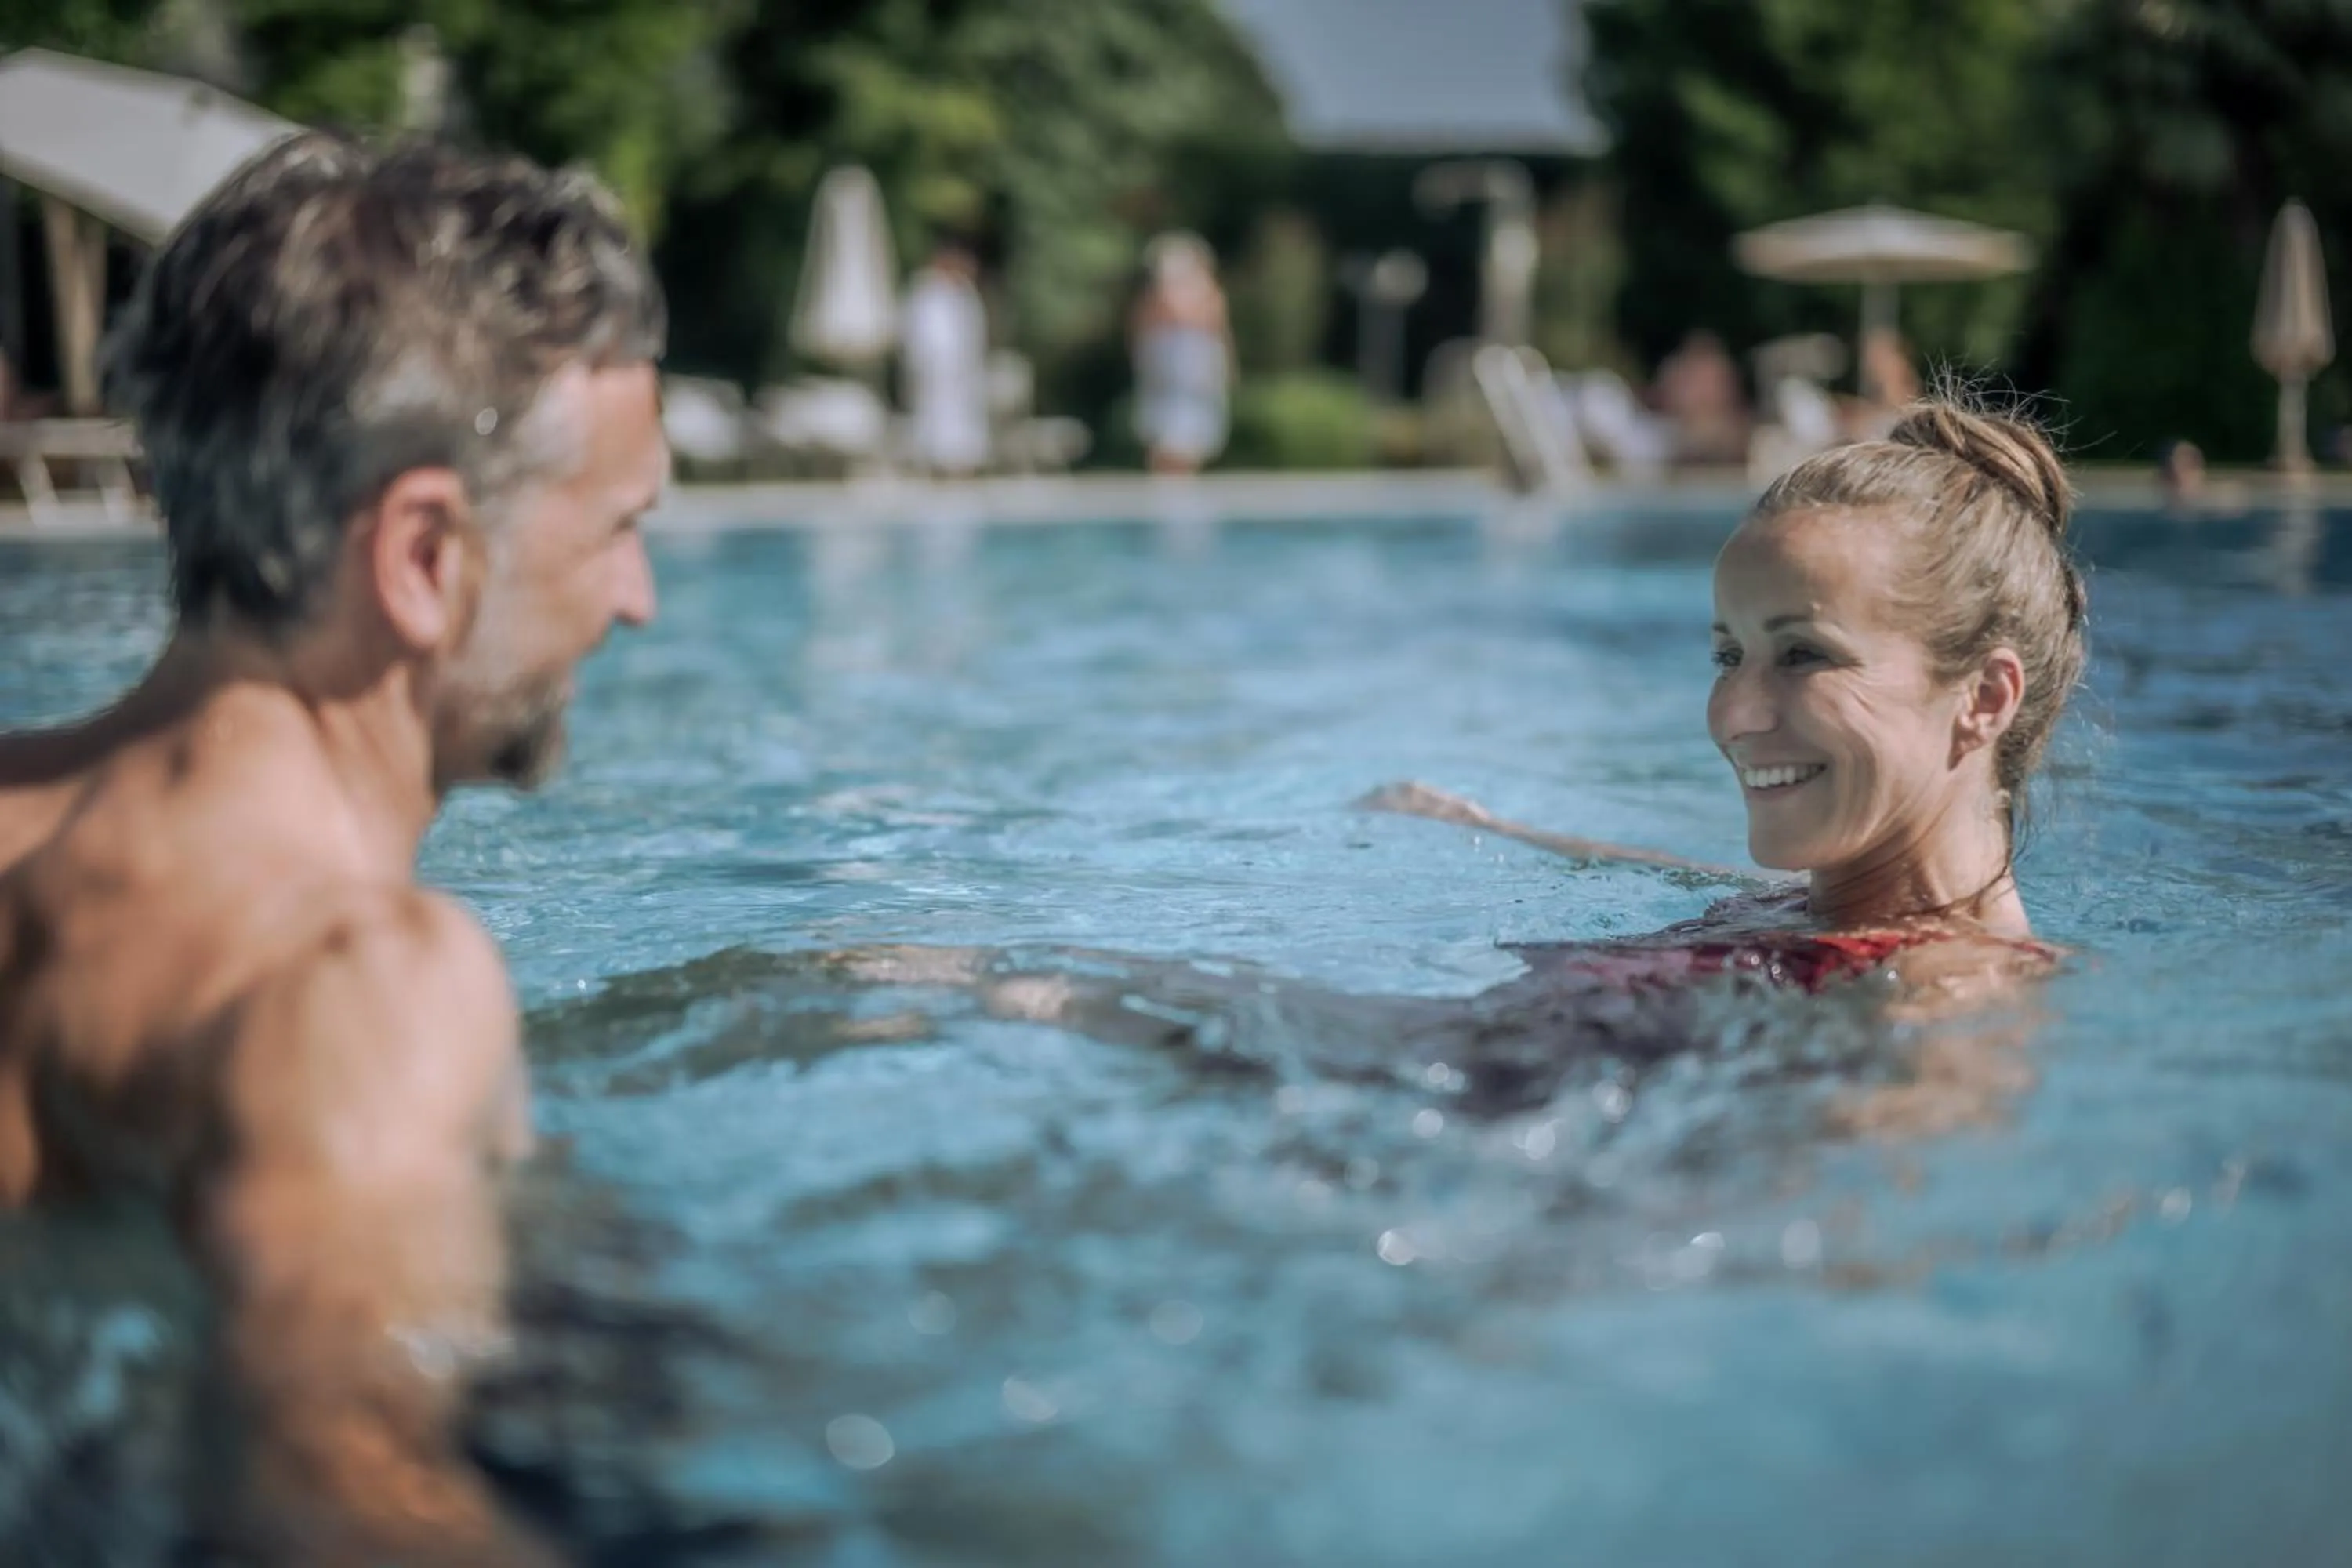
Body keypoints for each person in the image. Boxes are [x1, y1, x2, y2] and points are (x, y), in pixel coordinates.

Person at [0, 132, 666, 1564]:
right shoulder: (356, 983)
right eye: (617, 529)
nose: (639, 599)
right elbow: (329, 1492)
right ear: (425, 556)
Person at [823, 397, 2088, 1132]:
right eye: (1726, 653)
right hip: (1379, 1086)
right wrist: (1495, 831)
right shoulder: (1850, 902)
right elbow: (1679, 874)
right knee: (894, 970)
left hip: (1410, 1160)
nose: (1734, 714)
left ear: (1981, 698)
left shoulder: (1945, 1007)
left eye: (1801, 656)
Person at [1131, 233, 1232, 475]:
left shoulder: (1209, 296)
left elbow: (1217, 331)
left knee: (1192, 446)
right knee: (1167, 446)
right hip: (1169, 383)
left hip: (1196, 382)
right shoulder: (1155, 300)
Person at [899, 241, 991, 478]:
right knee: (934, 419)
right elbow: (918, 335)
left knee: (962, 419)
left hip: (962, 373)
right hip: (933, 372)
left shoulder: (965, 295)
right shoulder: (925, 293)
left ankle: (962, 465)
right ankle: (935, 465)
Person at [1653, 328, 1750, 466]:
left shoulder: (1748, 438)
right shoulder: (1655, 439)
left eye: (1712, 382)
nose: (1705, 393)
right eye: (1697, 382)